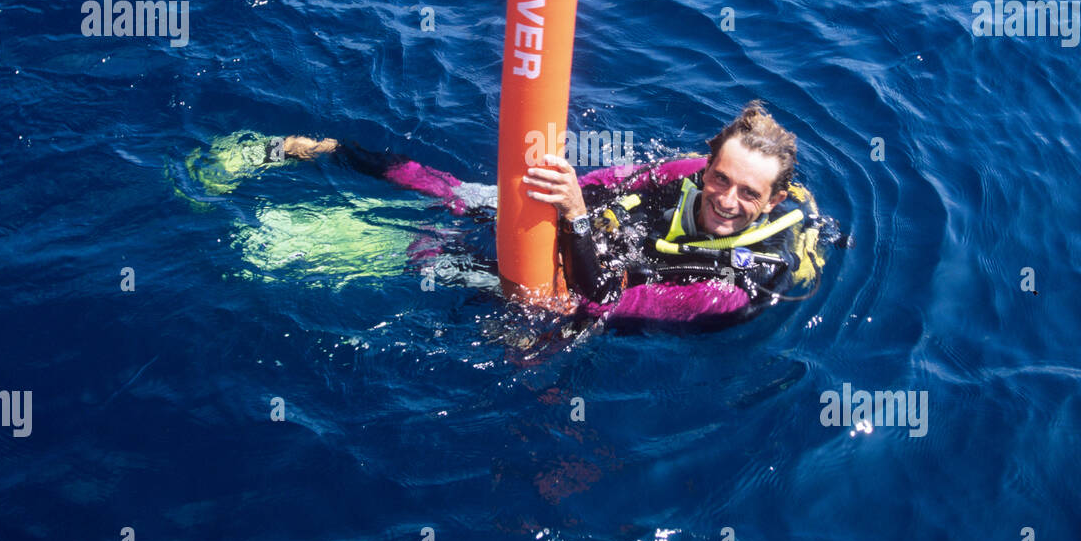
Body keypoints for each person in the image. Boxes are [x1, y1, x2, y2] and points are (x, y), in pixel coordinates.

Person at [257, 101, 847, 331]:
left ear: (771, 201)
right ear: (706, 167)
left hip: (610, 296)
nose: (725, 199)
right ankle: (321, 149)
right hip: (604, 238)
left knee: (511, 300)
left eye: (748, 194)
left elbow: (605, 302)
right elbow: (602, 183)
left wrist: (574, 220)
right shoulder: (687, 171)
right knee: (461, 193)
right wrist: (553, 194)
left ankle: (376, 249)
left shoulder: (742, 282)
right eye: (720, 178)